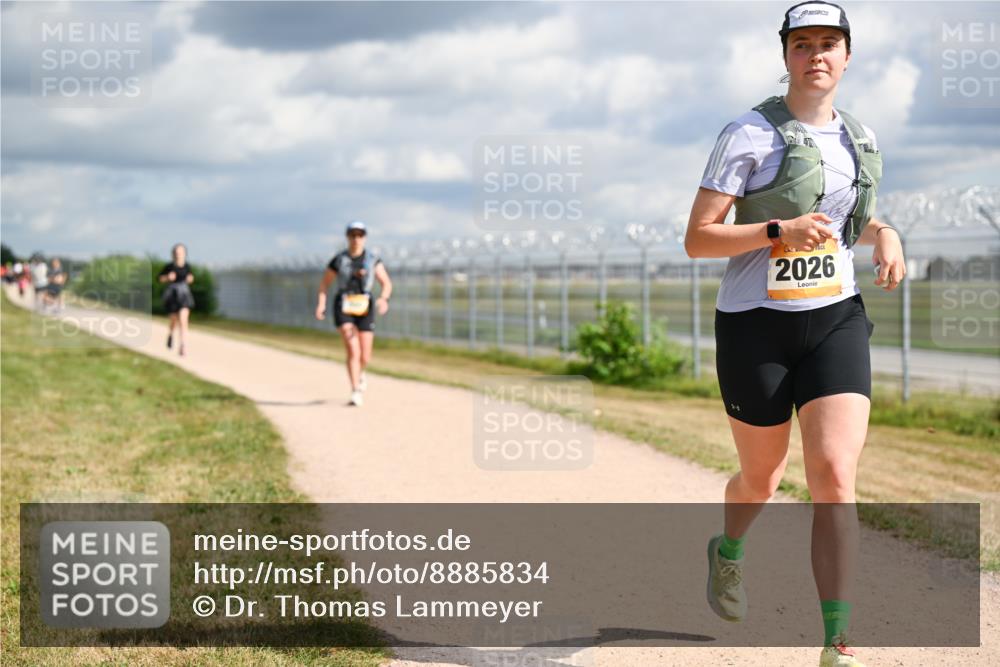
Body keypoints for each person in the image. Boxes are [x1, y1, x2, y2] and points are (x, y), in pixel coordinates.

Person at [684, 3, 906, 666]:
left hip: (836, 315)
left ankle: (837, 641)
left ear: (847, 54)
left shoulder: (858, 138)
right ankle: (728, 550)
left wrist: (885, 231)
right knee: (763, 476)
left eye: (829, 43)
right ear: (785, 55)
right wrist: (775, 231)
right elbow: (697, 238)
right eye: (803, 43)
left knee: (835, 474)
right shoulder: (748, 134)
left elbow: (848, 218)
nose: (817, 55)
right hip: (756, 325)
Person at [315, 221, 392, 407]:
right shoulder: (339, 260)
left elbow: (386, 283)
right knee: (352, 349)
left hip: (365, 306)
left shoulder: (373, 259)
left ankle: (361, 372)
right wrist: (321, 304)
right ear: (347, 237)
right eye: (352, 235)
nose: (356, 239)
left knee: (365, 355)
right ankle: (355, 389)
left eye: (360, 235)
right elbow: (324, 284)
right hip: (344, 305)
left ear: (364, 237)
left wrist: (383, 298)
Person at [158, 243, 196, 357]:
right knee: (174, 320)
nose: (178, 255)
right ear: (173, 254)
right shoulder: (169, 266)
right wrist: (167, 277)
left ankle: (183, 345)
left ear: (184, 254)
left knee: (184, 320)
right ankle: (170, 334)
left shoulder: (187, 266)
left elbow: (190, 278)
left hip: (184, 294)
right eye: (176, 253)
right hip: (172, 296)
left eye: (180, 252)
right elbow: (159, 278)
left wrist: (190, 279)